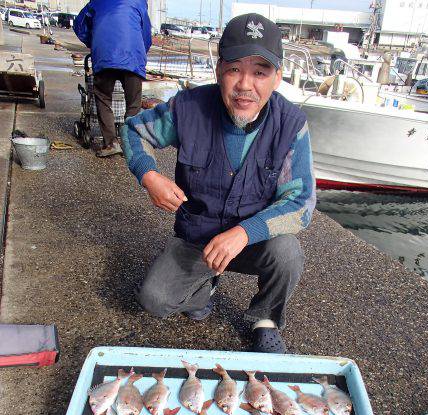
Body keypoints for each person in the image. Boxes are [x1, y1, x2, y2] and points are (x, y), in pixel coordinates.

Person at [121, 13, 316, 353]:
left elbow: (300, 204)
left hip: (251, 241)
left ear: (277, 78)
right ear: (219, 70)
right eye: (234, 69)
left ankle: (266, 320)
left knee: (288, 253)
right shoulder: (188, 107)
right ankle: (205, 286)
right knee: (154, 300)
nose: (245, 84)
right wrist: (148, 175)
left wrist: (244, 233)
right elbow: (133, 130)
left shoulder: (292, 125)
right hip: (197, 237)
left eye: (260, 72)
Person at [73, 0, 151, 157]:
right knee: (133, 104)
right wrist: (140, 52)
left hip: (104, 56)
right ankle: (130, 145)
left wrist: (94, 42)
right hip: (133, 57)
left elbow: (79, 26)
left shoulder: (96, 2)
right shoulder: (139, 3)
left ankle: (111, 143)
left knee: (103, 97)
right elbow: (146, 35)